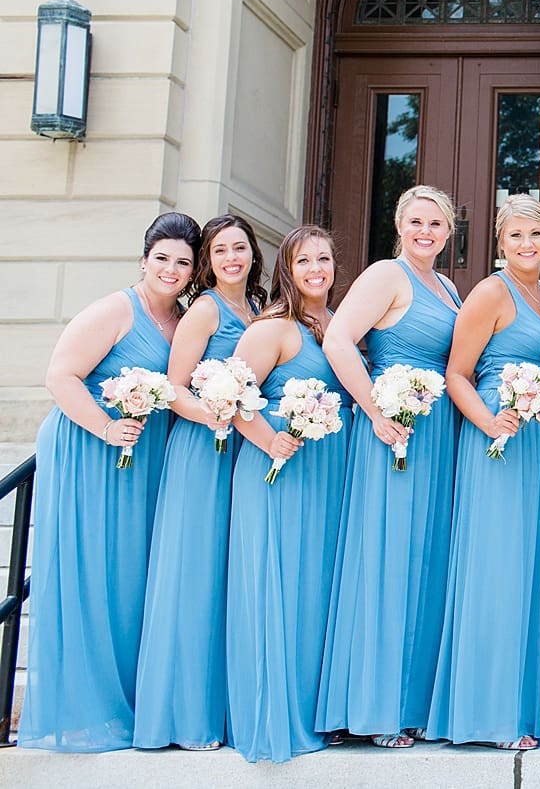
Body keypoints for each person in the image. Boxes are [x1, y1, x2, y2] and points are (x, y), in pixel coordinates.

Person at [19, 212, 200, 752]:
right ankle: (88, 709)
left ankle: (134, 698)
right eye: (162, 258)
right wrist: (104, 427)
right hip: (91, 451)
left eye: (183, 262)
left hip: (143, 460)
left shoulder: (187, 317)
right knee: (94, 574)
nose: (171, 269)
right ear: (144, 259)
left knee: (132, 579)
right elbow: (60, 375)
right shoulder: (117, 310)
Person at [317, 185, 463, 748]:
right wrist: (375, 410)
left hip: (437, 438)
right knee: (387, 559)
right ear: (399, 224)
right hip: (393, 433)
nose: (426, 232)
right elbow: (338, 340)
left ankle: (412, 702)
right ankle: (373, 708)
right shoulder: (384, 274)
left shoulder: (447, 286)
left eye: (437, 224)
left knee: (424, 563)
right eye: (417, 221)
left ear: (449, 233)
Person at [427, 196, 540, 750]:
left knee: (529, 571)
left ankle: (523, 704)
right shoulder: (490, 292)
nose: (526, 245)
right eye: (516, 236)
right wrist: (489, 423)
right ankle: (487, 714)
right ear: (500, 243)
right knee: (496, 568)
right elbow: (456, 373)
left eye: (535, 234)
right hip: (498, 442)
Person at [136, 214, 266, 751]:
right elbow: (172, 385)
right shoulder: (206, 310)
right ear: (207, 262)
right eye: (219, 251)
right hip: (202, 451)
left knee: (225, 580)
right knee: (192, 575)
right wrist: (211, 413)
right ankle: (182, 719)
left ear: (254, 254)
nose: (232, 258)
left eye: (240, 248)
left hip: (243, 449)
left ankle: (225, 709)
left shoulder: (257, 309)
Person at [226, 226, 352, 763]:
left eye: (324, 258)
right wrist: (268, 437)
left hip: (328, 474)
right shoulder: (271, 327)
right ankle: (272, 716)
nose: (316, 269)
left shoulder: (338, 324)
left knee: (314, 587)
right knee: (277, 583)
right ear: (287, 268)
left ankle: (312, 708)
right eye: (305, 261)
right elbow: (229, 396)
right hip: (278, 469)